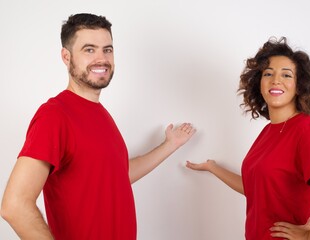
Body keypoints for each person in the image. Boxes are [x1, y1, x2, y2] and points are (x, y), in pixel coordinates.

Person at [1, 13, 195, 240]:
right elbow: (14, 205)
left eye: (108, 49)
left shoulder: (101, 115)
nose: (102, 58)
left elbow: (117, 175)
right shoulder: (55, 115)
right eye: (89, 49)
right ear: (66, 56)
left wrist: (169, 145)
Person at [186, 37, 310, 240]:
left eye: (286, 75)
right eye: (268, 73)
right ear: (259, 83)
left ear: (299, 86)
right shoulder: (268, 132)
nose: (276, 80)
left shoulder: (306, 129)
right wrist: (213, 167)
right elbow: (257, 188)